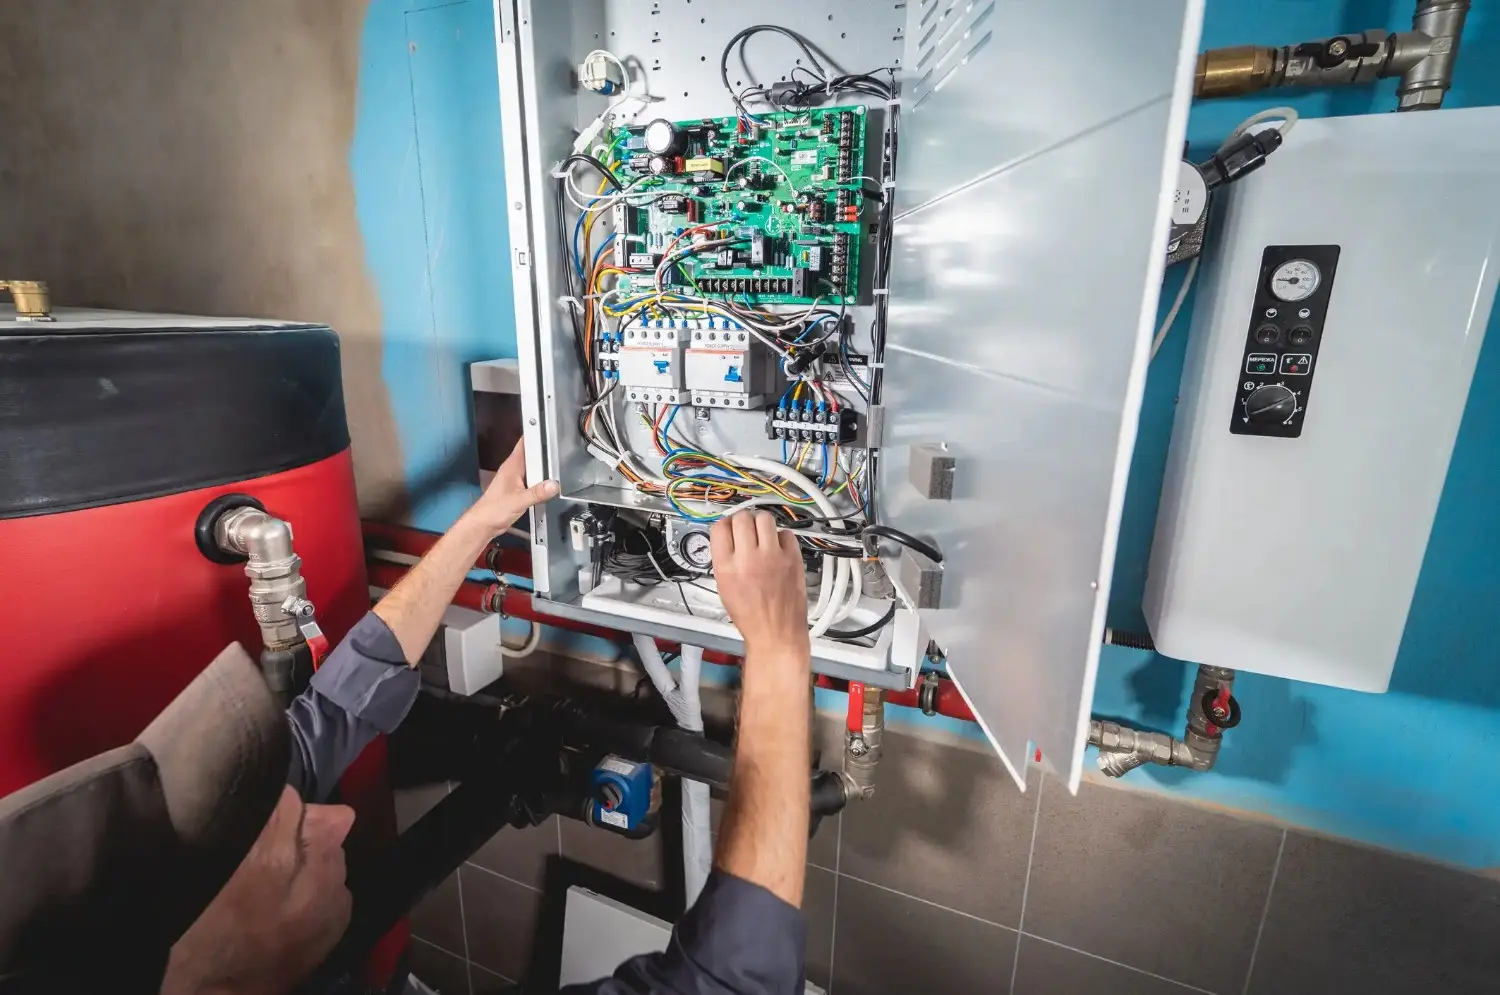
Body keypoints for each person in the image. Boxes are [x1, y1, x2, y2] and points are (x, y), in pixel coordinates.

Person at [0, 440, 816, 994]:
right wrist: (778, 650)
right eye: (292, 850)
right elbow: (728, 983)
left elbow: (338, 701)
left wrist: (484, 518)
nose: (338, 816)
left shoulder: (162, 891)